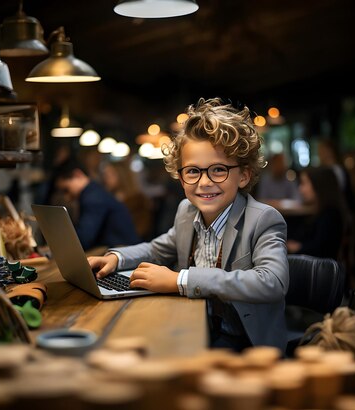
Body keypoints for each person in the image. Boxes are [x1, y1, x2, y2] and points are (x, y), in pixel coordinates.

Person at [88, 97, 289, 352]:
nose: (204, 182)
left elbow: (272, 282)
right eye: (193, 171)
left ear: (244, 175)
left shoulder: (263, 219)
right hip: (192, 322)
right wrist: (116, 258)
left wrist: (180, 280)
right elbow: (157, 249)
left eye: (218, 170)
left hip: (245, 343)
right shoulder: (186, 211)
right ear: (180, 177)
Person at [49, 158, 142, 250]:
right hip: (121, 251)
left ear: (77, 174)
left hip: (123, 255)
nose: (67, 197)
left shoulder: (93, 197)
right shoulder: (94, 192)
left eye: (66, 190)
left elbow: (83, 239)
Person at [286, 166, 348, 259]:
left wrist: (298, 247)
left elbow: (321, 249)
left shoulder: (330, 215)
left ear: (318, 185)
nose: (300, 189)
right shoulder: (318, 211)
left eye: (304, 183)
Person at [101, 160, 154, 241]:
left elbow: (142, 229)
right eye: (105, 175)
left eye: (110, 174)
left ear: (121, 175)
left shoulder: (137, 200)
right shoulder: (106, 199)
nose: (106, 179)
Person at [317, 138, 355, 210]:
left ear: (330, 151)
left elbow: (337, 192)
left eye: (322, 150)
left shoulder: (337, 170)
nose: (320, 154)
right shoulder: (327, 169)